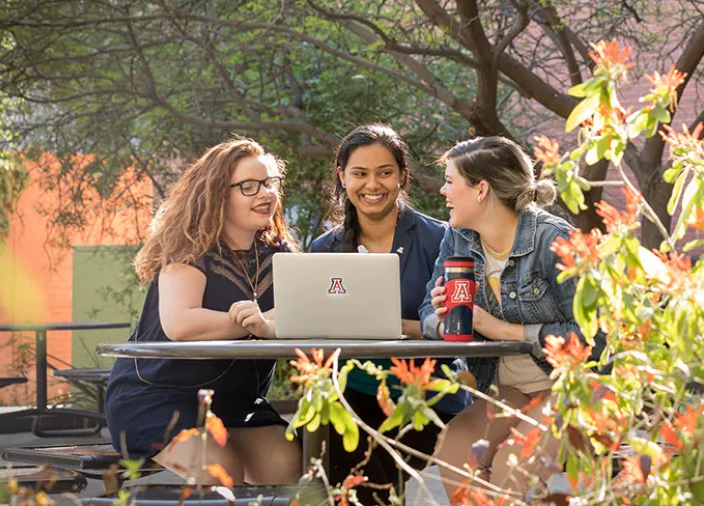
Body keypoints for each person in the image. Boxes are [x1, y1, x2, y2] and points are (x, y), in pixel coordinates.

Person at [104, 138, 302, 485]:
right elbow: (181, 323)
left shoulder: (279, 253)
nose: (266, 194)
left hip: (236, 401)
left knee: (286, 463)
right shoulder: (189, 247)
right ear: (218, 193)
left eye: (270, 183)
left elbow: (301, 313)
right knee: (220, 470)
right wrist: (249, 321)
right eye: (249, 186)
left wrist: (266, 321)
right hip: (157, 396)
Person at [420, 136, 605, 502]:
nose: (443, 190)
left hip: (572, 389)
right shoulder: (458, 238)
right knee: (455, 450)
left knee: (511, 466)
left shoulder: (555, 240)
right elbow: (428, 310)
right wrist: (443, 320)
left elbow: (595, 336)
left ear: (481, 190)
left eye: (450, 181)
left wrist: (501, 329)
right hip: (510, 390)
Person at [309, 124, 471, 503]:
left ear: (402, 174)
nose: (372, 184)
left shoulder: (444, 239)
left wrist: (400, 328)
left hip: (428, 393)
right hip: (352, 389)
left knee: (366, 464)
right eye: (360, 173)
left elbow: (463, 325)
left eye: (384, 172)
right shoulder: (324, 248)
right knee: (329, 436)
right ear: (342, 177)